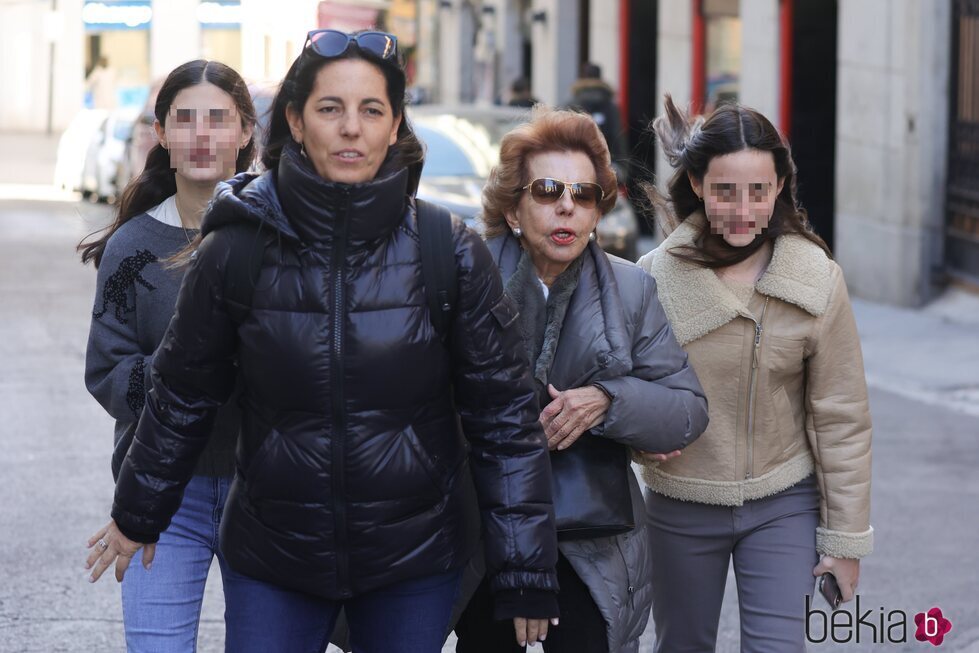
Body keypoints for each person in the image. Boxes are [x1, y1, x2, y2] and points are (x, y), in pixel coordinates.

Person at [84, 30, 560, 652]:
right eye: (330, 108)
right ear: (295, 122)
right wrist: (138, 513)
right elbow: (182, 394)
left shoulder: (448, 249)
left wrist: (525, 569)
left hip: (412, 559)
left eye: (372, 110)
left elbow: (503, 418)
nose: (351, 129)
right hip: (274, 556)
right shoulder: (237, 247)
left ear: (395, 127)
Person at [453, 107, 709, 653]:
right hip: (482, 529)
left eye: (584, 194)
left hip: (591, 538)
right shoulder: (464, 280)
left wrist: (608, 401)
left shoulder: (631, 290)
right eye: (547, 190)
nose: (566, 205)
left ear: (597, 212)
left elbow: (687, 411)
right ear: (515, 208)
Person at [636, 95, 873, 652]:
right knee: (682, 645)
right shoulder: (652, 281)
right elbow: (629, 393)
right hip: (680, 503)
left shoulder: (816, 281)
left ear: (780, 187)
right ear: (696, 184)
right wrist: (642, 442)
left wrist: (845, 540)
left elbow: (842, 417)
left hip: (783, 499)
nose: (742, 209)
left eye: (758, 191)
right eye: (724, 191)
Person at [79, 59, 256, 651]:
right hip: (160, 487)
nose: (201, 136)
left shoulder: (277, 237)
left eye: (218, 119)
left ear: (246, 131)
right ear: (162, 134)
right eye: (184, 119)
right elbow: (108, 373)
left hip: (264, 488)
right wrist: (194, 369)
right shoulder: (131, 246)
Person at [565, 63, 628, 182]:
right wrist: (622, 169)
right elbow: (618, 138)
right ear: (600, 77)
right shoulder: (611, 106)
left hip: (574, 166)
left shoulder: (570, 104)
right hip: (607, 168)